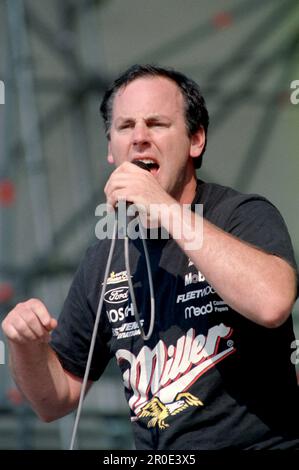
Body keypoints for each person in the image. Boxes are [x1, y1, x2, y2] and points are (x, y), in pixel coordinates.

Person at [2, 64, 299, 450]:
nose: (139, 137)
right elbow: (54, 400)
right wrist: (26, 346)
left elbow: (272, 301)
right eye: (125, 127)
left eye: (157, 124)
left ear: (196, 140)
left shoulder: (241, 215)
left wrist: (163, 207)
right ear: (111, 149)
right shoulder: (106, 257)